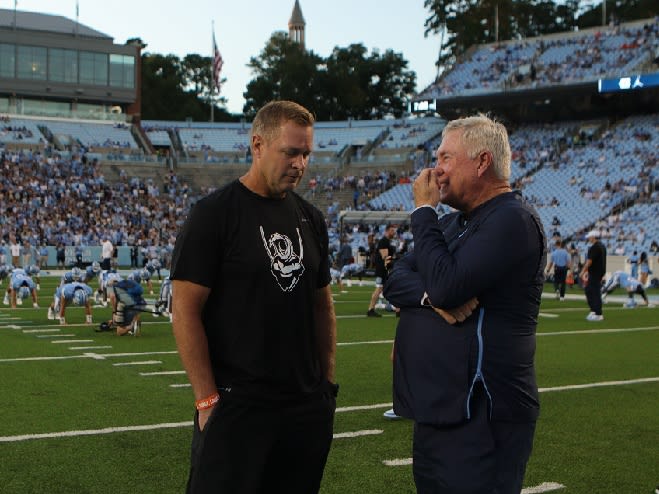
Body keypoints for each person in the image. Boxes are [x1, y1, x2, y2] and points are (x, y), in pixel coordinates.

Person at [170, 100, 338, 494]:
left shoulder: (311, 218)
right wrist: (207, 400)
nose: (300, 164)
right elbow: (185, 310)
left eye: (306, 154)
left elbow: (322, 306)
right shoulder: (214, 215)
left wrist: (326, 386)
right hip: (238, 407)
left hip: (303, 408)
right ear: (258, 145)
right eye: (291, 152)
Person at [383, 114, 546, 494]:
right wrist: (429, 298)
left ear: (482, 162)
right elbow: (397, 278)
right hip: (441, 408)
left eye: (445, 158)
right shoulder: (457, 224)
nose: (435, 171)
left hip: (483, 413)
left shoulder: (512, 219)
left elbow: (447, 286)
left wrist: (423, 211)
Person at [367, 224, 397, 317]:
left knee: (389, 288)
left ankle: (394, 307)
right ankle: (371, 309)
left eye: (394, 230)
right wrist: (393, 264)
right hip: (382, 270)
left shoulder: (388, 241)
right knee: (379, 288)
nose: (394, 232)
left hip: (385, 269)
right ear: (387, 231)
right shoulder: (384, 241)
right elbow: (385, 257)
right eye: (392, 230)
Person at [580, 230, 607, 321]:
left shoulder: (594, 247)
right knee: (590, 290)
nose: (589, 238)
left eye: (590, 237)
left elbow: (589, 261)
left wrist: (583, 271)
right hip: (599, 272)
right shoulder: (602, 246)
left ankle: (598, 313)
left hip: (595, 273)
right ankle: (593, 310)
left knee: (594, 292)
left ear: (593, 237)